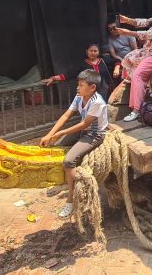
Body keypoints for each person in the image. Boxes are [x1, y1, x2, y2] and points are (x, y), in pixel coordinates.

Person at [39, 69, 108, 219]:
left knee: (69, 160)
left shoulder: (97, 102)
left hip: (94, 135)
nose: (78, 87)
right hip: (83, 131)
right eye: (78, 84)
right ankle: (65, 182)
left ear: (92, 88)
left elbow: (85, 124)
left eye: (81, 84)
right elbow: (66, 115)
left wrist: (61, 133)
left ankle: (71, 200)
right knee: (57, 148)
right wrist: (50, 134)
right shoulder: (79, 97)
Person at [113, 0, 152, 122]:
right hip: (147, 51)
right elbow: (144, 22)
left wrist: (127, 32)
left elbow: (147, 34)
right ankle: (143, 89)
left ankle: (136, 109)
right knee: (128, 58)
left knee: (137, 75)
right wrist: (127, 20)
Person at [43, 43, 114, 99]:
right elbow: (69, 74)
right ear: (87, 51)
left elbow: (117, 61)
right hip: (90, 93)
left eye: (95, 51)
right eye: (91, 51)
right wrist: (53, 78)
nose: (93, 53)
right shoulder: (82, 64)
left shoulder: (104, 61)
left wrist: (117, 68)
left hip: (105, 91)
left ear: (98, 52)